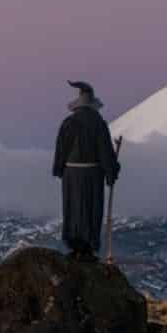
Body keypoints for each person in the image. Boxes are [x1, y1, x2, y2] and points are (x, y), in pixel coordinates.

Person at [52, 80, 120, 262]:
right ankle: (88, 248)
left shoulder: (68, 122)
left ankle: (74, 245)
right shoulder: (98, 123)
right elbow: (105, 150)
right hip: (92, 174)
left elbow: (61, 149)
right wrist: (111, 171)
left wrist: (59, 169)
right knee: (91, 208)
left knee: (73, 208)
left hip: (71, 175)